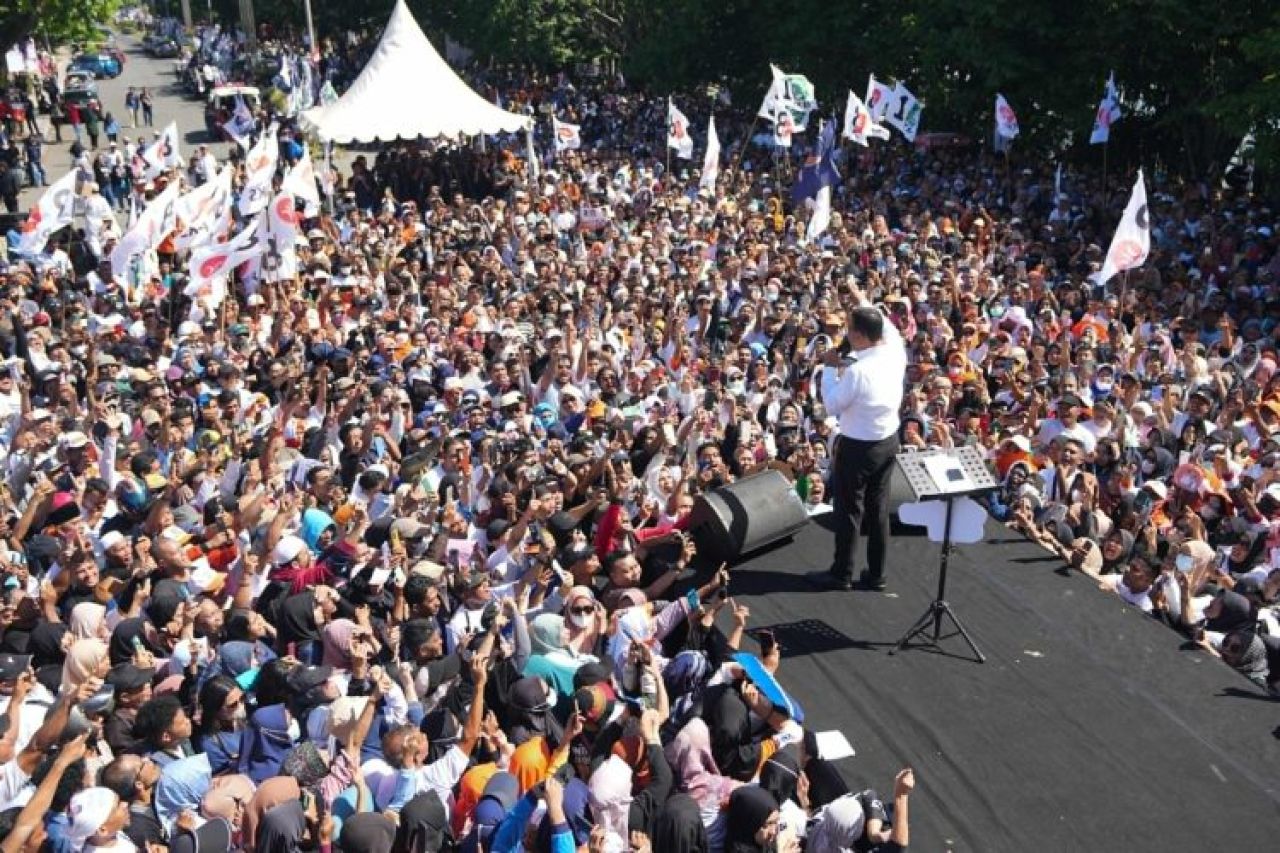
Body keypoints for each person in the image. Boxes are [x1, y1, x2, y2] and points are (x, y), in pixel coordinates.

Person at [817, 301, 906, 591]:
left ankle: (841, 573)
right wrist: (861, 299)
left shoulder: (859, 371)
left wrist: (830, 369)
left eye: (850, 330)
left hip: (858, 446)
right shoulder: (896, 351)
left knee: (849, 510)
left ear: (859, 336)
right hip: (888, 440)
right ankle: (877, 574)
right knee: (879, 508)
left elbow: (831, 405)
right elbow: (886, 323)